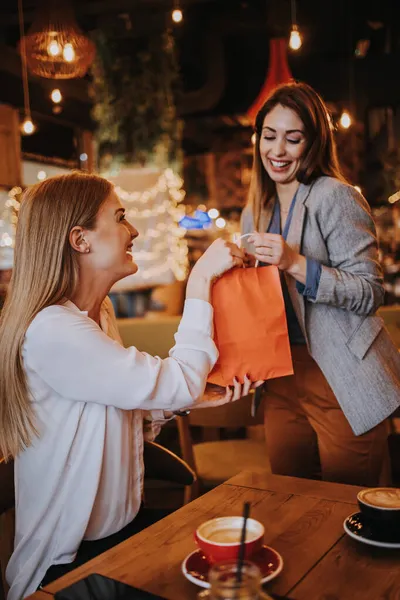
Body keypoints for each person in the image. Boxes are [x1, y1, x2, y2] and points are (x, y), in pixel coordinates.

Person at [0, 172, 260, 600]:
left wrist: (187, 401)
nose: (133, 230)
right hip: (66, 568)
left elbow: (107, 410)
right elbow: (177, 378)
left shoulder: (96, 314)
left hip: (117, 540)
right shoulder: (53, 330)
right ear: (80, 240)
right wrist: (200, 282)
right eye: (120, 217)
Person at [241, 81, 400, 488]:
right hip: (279, 377)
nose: (277, 151)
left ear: (312, 143)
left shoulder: (336, 196)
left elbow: (370, 292)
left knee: (348, 503)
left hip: (340, 373)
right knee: (290, 498)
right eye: (269, 136)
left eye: (292, 139)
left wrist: (296, 263)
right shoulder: (256, 208)